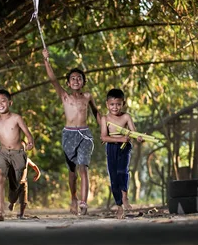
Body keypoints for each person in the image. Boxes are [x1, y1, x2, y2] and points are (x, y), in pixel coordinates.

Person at [42, 48, 100, 215]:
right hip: (69, 135)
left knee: (83, 168)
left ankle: (83, 202)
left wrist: (105, 127)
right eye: (72, 78)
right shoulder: (65, 96)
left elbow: (96, 113)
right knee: (72, 172)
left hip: (85, 135)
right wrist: (46, 60)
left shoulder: (88, 96)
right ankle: (74, 197)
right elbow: (52, 79)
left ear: (83, 82)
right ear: (68, 83)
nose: (76, 80)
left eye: (79, 78)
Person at [0, 89, 35, 221]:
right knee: (0, 176)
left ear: (10, 102)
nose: (0, 104)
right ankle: (0, 211)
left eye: (3, 101)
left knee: (16, 184)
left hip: (17, 154)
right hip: (2, 153)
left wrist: (30, 142)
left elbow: (28, 134)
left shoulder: (16, 118)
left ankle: (14, 199)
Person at [100, 88, 143, 219]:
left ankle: (125, 196)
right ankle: (119, 206)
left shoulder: (126, 117)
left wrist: (138, 137)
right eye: (112, 104)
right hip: (111, 148)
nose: (115, 107)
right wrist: (120, 139)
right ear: (107, 104)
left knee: (122, 171)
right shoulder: (105, 118)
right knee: (113, 176)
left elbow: (133, 132)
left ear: (123, 103)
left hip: (125, 148)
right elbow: (104, 137)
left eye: (118, 104)